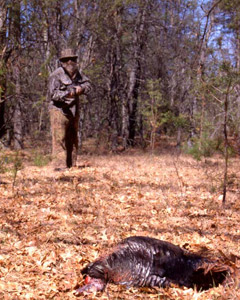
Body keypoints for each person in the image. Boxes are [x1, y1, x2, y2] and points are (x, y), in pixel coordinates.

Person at [48, 48, 92, 170]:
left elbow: (88, 85)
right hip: (58, 110)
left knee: (73, 138)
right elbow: (53, 95)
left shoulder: (78, 74)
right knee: (59, 138)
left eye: (72, 59)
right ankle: (59, 167)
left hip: (74, 110)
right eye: (66, 60)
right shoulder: (56, 75)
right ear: (62, 62)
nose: (70, 62)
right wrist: (69, 93)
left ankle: (71, 164)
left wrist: (81, 89)